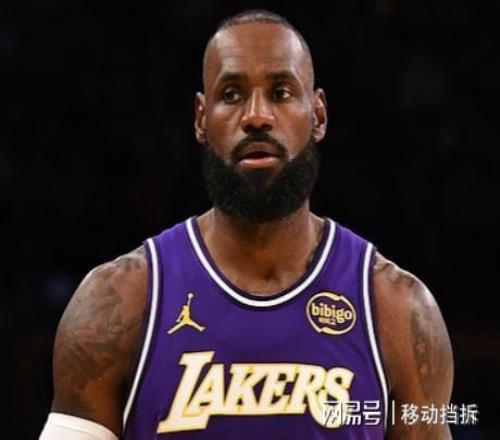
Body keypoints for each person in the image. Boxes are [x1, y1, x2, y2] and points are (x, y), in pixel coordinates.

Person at [40, 9, 453, 440]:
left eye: (281, 92)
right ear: (201, 118)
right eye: (232, 94)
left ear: (318, 115)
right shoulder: (118, 304)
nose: (257, 116)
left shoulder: (398, 310)